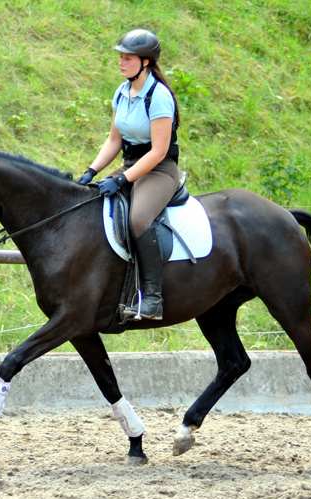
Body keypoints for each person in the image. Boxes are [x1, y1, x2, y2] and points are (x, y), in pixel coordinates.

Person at [78, 28, 181, 321]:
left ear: (145, 62)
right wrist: (91, 171)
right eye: (120, 57)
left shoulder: (158, 96)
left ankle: (152, 299)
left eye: (128, 58)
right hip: (131, 164)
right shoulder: (122, 91)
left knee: (138, 219)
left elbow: (159, 152)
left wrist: (122, 179)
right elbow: (114, 140)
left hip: (159, 170)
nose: (121, 62)